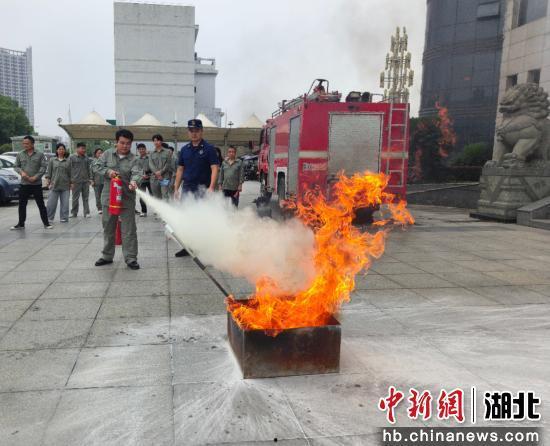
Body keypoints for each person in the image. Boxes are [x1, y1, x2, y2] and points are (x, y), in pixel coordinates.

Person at [94, 129, 142, 270]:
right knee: (108, 228)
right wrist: (108, 172)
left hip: (127, 198)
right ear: (116, 142)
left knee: (129, 230)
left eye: (128, 143)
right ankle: (107, 256)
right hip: (109, 198)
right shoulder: (107, 154)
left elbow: (137, 173)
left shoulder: (135, 159)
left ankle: (131, 258)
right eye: (122, 143)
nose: (125, 146)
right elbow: (96, 166)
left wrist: (134, 181)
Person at [173, 118, 219, 257]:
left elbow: (214, 168)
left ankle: (205, 247)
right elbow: (180, 169)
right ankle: (188, 247)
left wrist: (211, 187)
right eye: (191, 130)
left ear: (201, 131)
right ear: (188, 132)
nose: (194, 133)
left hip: (202, 189)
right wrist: (176, 188)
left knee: (202, 219)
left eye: (197, 130)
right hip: (187, 188)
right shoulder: (184, 150)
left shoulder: (209, 149)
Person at [11, 135, 52, 230]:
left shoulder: (40, 154)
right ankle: (21, 224)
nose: (25, 145)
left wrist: (36, 177)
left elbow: (43, 167)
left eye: (27, 143)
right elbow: (16, 166)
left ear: (32, 144)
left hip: (36, 184)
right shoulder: (20, 154)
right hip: (24, 184)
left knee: (41, 204)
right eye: (24, 143)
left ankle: (46, 223)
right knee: (22, 205)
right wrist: (21, 172)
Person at [45, 143, 71, 222]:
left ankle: (64, 217)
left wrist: (72, 183)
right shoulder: (52, 160)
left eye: (63, 149)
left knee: (65, 204)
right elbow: (49, 172)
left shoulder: (68, 161)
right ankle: (49, 218)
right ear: (57, 150)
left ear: (64, 151)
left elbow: (71, 173)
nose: (61, 150)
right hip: (54, 185)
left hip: (65, 186)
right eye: (59, 149)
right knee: (51, 204)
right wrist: (47, 180)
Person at [69, 142, 92, 218]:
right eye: (82, 148)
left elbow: (89, 169)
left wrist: (90, 179)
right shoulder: (72, 157)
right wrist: (71, 181)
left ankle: (87, 213)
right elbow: (69, 169)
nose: (84, 150)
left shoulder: (86, 158)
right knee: (75, 198)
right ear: (77, 148)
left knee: (86, 197)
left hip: (85, 181)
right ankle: (74, 213)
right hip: (75, 181)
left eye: (84, 148)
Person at [149, 134, 172, 201]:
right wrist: (157, 173)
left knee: (165, 195)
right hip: (154, 178)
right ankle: (158, 208)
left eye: (158, 140)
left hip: (164, 178)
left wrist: (161, 172)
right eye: (154, 141)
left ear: (161, 141)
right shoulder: (151, 153)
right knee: (156, 196)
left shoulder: (168, 152)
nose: (156, 142)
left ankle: (165, 208)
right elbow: (150, 164)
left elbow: (168, 164)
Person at [136, 143, 152, 217]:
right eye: (140, 149)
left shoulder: (150, 158)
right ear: (138, 150)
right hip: (141, 180)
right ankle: (144, 211)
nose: (141, 150)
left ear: (145, 149)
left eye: (143, 149)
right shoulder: (136, 159)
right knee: (142, 196)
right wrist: (142, 175)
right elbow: (136, 169)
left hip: (151, 179)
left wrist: (149, 175)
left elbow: (153, 167)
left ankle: (157, 211)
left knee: (153, 195)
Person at [91, 148, 104, 214]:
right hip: (97, 181)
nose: (100, 154)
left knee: (104, 195)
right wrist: (91, 180)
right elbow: (91, 172)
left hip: (104, 181)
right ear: (95, 154)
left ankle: (105, 207)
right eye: (98, 153)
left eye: (101, 153)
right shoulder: (93, 162)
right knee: (98, 196)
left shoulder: (105, 161)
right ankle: (99, 208)